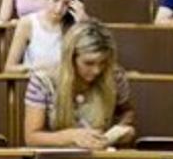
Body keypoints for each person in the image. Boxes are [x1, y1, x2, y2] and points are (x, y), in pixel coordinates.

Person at [24, 20, 136, 150]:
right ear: (70, 59)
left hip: (100, 156)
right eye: (89, 63)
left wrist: (121, 130)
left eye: (103, 62)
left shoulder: (114, 76)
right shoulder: (43, 81)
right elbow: (31, 138)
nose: (97, 70)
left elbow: (127, 112)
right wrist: (71, 136)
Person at [5, 0, 86, 73]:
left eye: (66, 3)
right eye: (55, 0)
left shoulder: (76, 25)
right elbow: (9, 69)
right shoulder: (27, 23)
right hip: (35, 84)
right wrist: (35, 68)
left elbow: (87, 67)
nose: (59, 9)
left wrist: (83, 25)